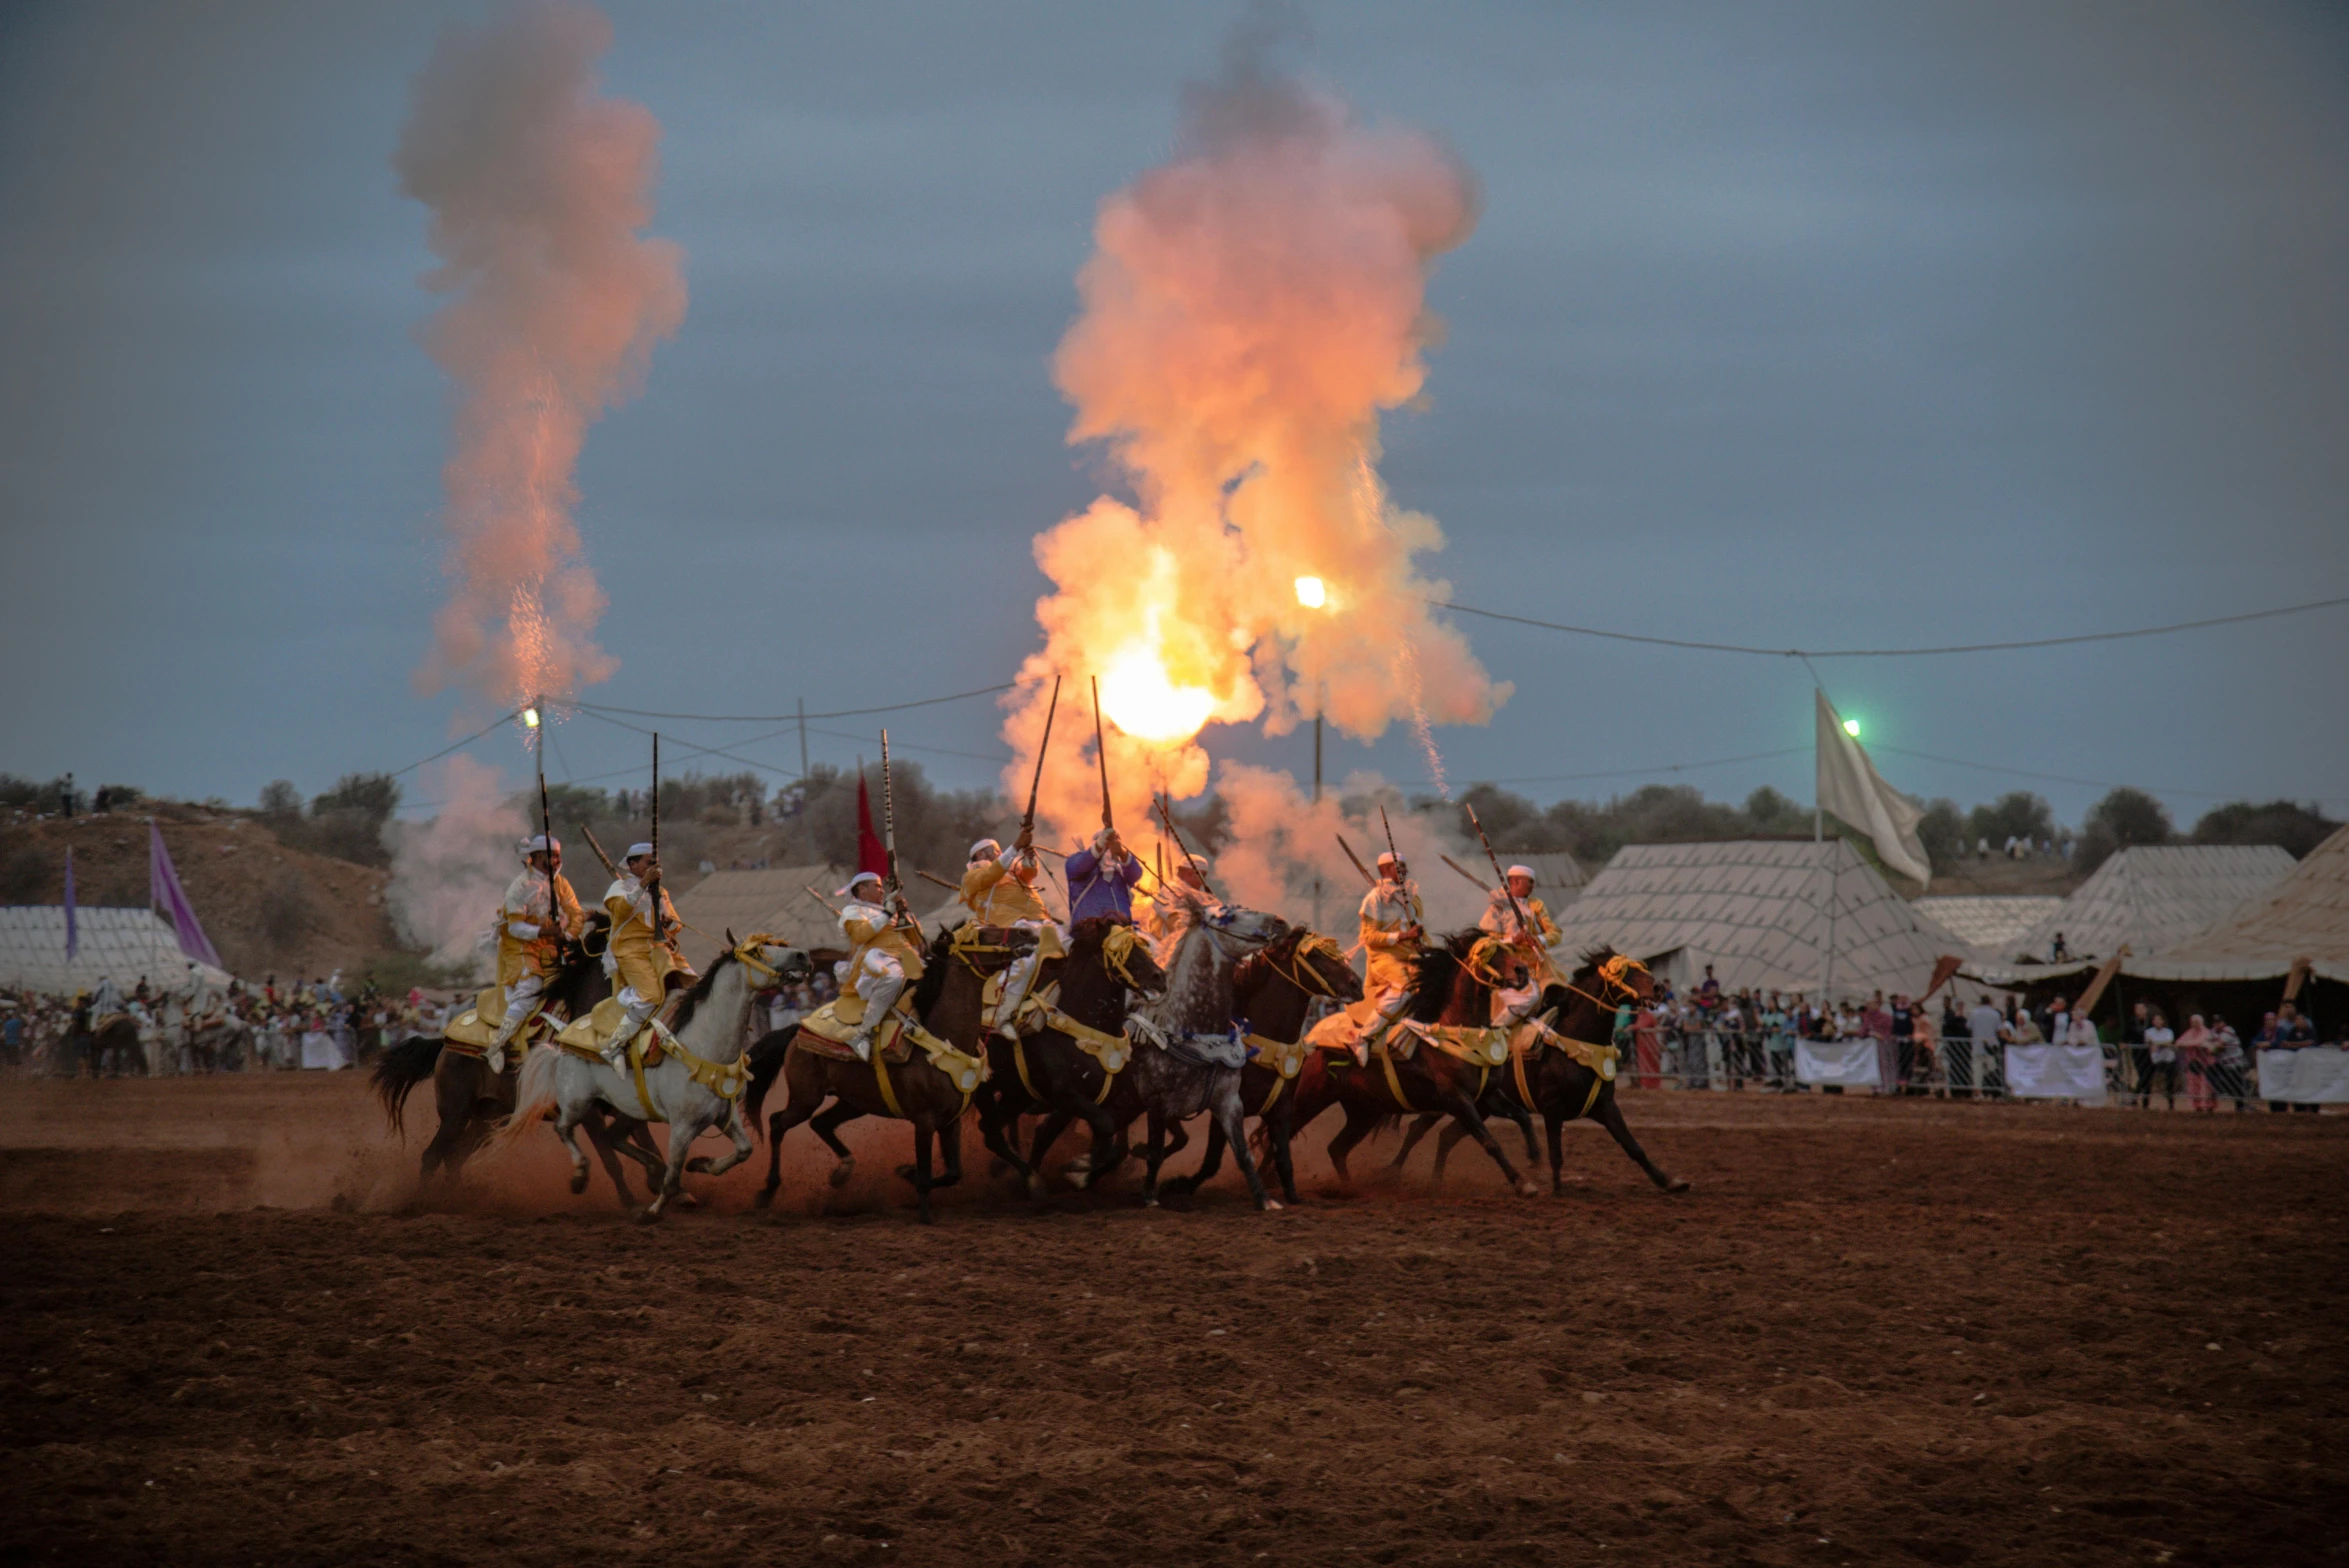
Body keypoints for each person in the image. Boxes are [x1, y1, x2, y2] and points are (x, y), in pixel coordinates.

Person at [485, 834, 586, 1066]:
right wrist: (543, 933)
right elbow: (515, 927)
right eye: (551, 856)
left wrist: (568, 935)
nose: (557, 861)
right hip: (520, 947)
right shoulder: (519, 886)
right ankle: (498, 1045)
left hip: (551, 946)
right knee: (531, 988)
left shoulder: (562, 883)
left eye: (559, 856)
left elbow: (576, 914)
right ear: (537, 857)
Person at [600, 843, 690, 1066]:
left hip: (659, 949)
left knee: (691, 986)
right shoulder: (618, 888)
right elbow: (622, 910)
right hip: (630, 950)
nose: (654, 867)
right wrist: (643, 884)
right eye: (649, 862)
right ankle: (614, 1046)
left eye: (655, 863)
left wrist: (669, 924)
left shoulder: (661, 892)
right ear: (632, 864)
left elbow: (676, 925)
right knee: (651, 997)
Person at [961, 837, 1059, 1040]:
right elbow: (992, 873)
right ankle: (1002, 1015)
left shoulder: (1010, 871)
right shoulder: (973, 874)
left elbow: (1029, 874)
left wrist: (1030, 858)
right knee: (1026, 960)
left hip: (1041, 921)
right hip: (1010, 926)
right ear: (980, 855)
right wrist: (1014, 846)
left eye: (999, 850)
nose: (998, 853)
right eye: (994, 850)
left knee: (1073, 948)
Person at [836, 870, 923, 1062]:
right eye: (877, 886)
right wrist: (887, 913)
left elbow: (916, 939)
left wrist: (904, 912)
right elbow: (861, 935)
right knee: (892, 979)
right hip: (875, 961)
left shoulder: (889, 909)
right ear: (862, 889)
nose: (882, 891)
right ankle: (864, 1034)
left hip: (907, 959)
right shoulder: (852, 911)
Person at [1478, 865, 1562, 1024]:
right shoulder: (1498, 904)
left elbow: (1555, 933)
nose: (1533, 886)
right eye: (1529, 882)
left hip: (1536, 965)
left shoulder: (1536, 905)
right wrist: (1513, 940)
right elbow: (1487, 941)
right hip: (1507, 964)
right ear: (1516, 881)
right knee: (1530, 996)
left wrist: (1539, 940)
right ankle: (1500, 1027)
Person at [1358, 850, 1425, 1016]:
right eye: (1400, 867)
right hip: (1384, 959)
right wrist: (1404, 936)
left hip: (1410, 957)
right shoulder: (1374, 898)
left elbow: (1419, 931)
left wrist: (1420, 942)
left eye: (1405, 868)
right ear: (1387, 869)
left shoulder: (1411, 898)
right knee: (1404, 988)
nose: (1406, 871)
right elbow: (1370, 937)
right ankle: (1365, 1036)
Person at [1066, 827, 1144, 926]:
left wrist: (1122, 853)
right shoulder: (1077, 862)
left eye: (1113, 844)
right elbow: (1077, 867)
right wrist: (1100, 845)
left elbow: (1136, 874)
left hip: (1121, 929)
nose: (1108, 849)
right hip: (1088, 930)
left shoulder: (1120, 870)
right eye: (1106, 844)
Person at [1965, 994, 2004, 1100]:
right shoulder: (1995, 1014)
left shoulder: (1974, 1013)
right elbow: (1999, 1030)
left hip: (1977, 1045)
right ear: (1989, 1002)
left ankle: (1978, 1092)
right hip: (1991, 1046)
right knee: (1992, 1069)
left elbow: (1968, 1027)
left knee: (1977, 1071)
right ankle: (1993, 1092)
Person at [2141, 1010, 2178, 1110]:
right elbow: (2148, 1041)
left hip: (2168, 1059)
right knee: (2148, 1081)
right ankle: (2145, 1104)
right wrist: (2161, 1044)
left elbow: (2169, 1041)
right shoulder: (2148, 1032)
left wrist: (2157, 1043)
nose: (2157, 1022)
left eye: (2159, 1020)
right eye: (2155, 1020)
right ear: (2153, 1022)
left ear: (2163, 1021)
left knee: (2169, 1083)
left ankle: (2171, 1105)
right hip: (2155, 1060)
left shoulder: (2168, 1031)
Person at [2177, 1013, 2214, 1113]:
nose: (2193, 1024)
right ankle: (2197, 1105)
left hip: (2206, 1063)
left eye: (2195, 1022)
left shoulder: (2206, 1032)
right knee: (2193, 1085)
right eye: (2192, 1022)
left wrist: (2187, 1043)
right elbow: (2179, 1042)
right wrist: (2189, 1043)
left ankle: (2208, 1105)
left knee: (2206, 1085)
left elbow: (2200, 1041)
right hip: (2193, 1064)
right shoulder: (2190, 1032)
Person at [2210, 1016, 2247, 1112]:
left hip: (2236, 1062)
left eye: (2219, 1022)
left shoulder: (2228, 1030)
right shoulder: (2213, 1031)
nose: (2217, 1024)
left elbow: (2217, 1046)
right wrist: (2211, 1047)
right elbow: (2204, 1042)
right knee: (2212, 1074)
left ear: (2223, 1023)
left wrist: (2212, 1047)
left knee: (2237, 1083)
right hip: (2223, 1062)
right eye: (2215, 1022)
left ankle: (2240, 1105)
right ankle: (2224, 1092)